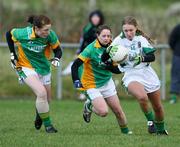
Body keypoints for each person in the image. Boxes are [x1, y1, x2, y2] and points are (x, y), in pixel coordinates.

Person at [106, 16, 168, 135]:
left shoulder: (141, 39)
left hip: (146, 72)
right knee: (142, 97)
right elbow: (106, 56)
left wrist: (141, 58)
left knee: (158, 107)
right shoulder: (118, 41)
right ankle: (150, 121)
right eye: (126, 30)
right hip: (130, 74)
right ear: (122, 30)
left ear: (136, 28)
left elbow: (152, 57)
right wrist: (108, 62)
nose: (129, 33)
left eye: (131, 30)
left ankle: (161, 131)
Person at [6, 14, 62, 133]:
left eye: (49, 29)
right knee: (41, 93)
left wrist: (56, 59)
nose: (48, 32)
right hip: (25, 67)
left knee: (47, 100)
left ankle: (39, 115)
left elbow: (58, 50)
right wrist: (12, 54)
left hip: (44, 68)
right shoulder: (23, 33)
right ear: (36, 29)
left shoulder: (50, 35)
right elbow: (9, 34)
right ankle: (49, 126)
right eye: (45, 30)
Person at [71, 25, 132, 134]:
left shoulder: (114, 48)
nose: (106, 38)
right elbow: (75, 65)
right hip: (91, 84)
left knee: (118, 110)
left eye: (109, 36)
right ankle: (88, 105)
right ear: (97, 36)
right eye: (103, 36)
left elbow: (117, 71)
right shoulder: (91, 49)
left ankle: (126, 132)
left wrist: (111, 65)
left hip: (107, 82)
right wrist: (76, 80)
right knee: (103, 112)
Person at [62, 9, 104, 77]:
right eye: (93, 17)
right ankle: (72, 67)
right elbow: (83, 41)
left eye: (97, 17)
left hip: (98, 53)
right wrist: (78, 52)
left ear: (100, 18)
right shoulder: (88, 28)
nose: (95, 19)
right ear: (91, 18)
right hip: (87, 52)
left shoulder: (103, 28)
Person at [168, 24, 180, 104]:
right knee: (176, 76)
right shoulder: (178, 28)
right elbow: (171, 40)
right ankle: (174, 98)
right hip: (178, 55)